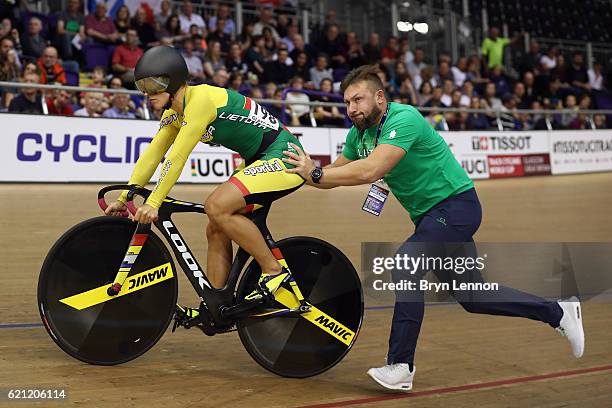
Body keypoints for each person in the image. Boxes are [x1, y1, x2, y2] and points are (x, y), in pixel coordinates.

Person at [282, 64, 585, 391]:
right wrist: (300, 173)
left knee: (404, 267)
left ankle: (400, 366)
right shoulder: (359, 135)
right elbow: (332, 175)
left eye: (358, 99)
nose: (352, 108)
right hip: (431, 219)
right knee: (474, 297)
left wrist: (315, 174)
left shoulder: (404, 118)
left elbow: (372, 170)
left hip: (457, 207)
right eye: (347, 103)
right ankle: (557, 312)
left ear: (380, 98)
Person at [104, 45, 305, 306]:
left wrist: (153, 202)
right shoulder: (173, 113)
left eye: (153, 85)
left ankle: (273, 271)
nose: (146, 93)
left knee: (216, 206)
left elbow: (177, 156)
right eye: (142, 85)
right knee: (217, 225)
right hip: (257, 159)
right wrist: (124, 196)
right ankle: (216, 303)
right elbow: (153, 154)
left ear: (173, 81)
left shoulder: (200, 101)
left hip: (283, 155)